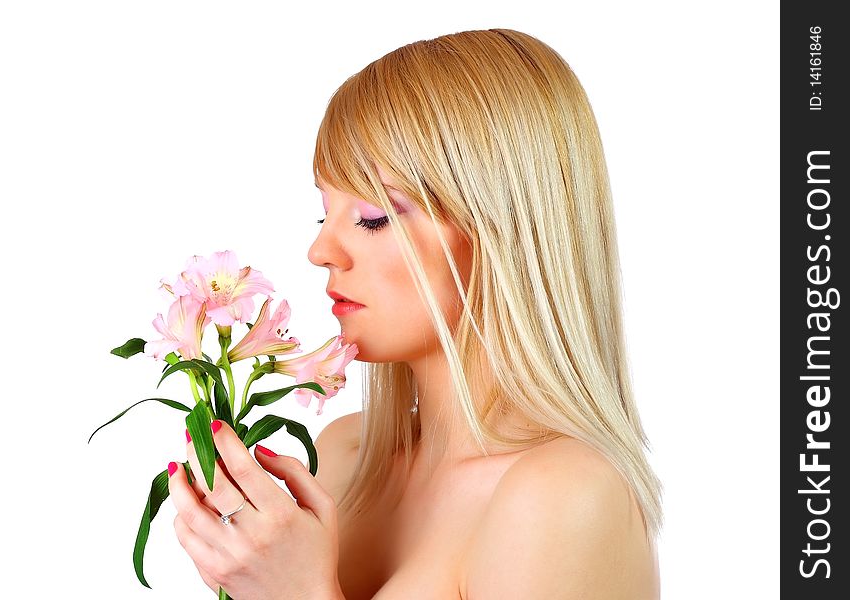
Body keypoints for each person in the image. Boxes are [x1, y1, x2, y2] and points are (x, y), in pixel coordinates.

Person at [167, 28, 662, 599]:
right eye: (324, 214)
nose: (322, 250)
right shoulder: (342, 457)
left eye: (373, 216)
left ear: (500, 229)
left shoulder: (567, 496)